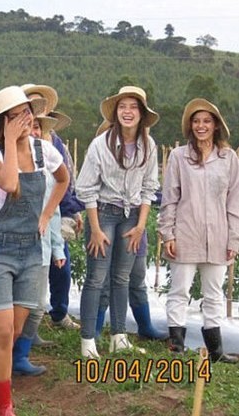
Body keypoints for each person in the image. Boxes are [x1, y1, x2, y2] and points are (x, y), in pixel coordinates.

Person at [0, 86, 68, 416]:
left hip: (31, 251)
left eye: (26, 113)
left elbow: (64, 180)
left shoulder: (44, 150)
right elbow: (9, 184)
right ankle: (6, 407)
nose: (23, 120)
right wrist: (10, 141)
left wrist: (47, 213)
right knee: (4, 333)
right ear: (2, 123)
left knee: (14, 332)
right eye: (14, 116)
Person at [76, 86, 159, 358]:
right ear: (115, 112)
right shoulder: (100, 144)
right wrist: (96, 229)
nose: (127, 112)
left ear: (142, 114)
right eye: (122, 106)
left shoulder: (149, 146)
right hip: (103, 212)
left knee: (122, 277)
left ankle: (119, 336)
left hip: (133, 215)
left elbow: (149, 188)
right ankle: (88, 339)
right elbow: (85, 188)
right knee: (96, 277)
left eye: (133, 107)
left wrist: (140, 226)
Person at [158, 98, 239, 363]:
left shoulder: (228, 158)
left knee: (213, 294)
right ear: (190, 126)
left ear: (216, 126)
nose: (201, 126)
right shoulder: (179, 156)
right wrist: (168, 234)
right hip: (186, 233)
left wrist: (234, 238)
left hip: (218, 235)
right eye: (196, 121)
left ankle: (215, 352)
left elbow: (234, 202)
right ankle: (177, 348)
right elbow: (169, 197)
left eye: (206, 121)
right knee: (179, 291)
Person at [21, 83, 84, 332]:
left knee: (60, 264)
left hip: (55, 211)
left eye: (42, 104)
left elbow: (66, 181)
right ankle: (28, 323)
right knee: (31, 270)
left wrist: (73, 210)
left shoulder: (56, 144)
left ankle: (58, 312)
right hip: (27, 216)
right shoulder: (16, 144)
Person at [11, 115, 66, 377]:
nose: (32, 131)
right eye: (28, 125)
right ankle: (3, 356)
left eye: (36, 127)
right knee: (11, 308)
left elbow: (53, 214)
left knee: (37, 306)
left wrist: (57, 248)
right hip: (11, 245)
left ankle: (20, 355)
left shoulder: (49, 166)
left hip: (40, 247)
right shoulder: (6, 158)